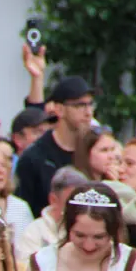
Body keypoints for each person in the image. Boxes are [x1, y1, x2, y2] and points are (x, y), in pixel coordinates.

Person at [16, 76, 96, 217]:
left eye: (90, 105)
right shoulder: (34, 157)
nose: (88, 112)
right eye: (79, 105)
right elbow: (23, 210)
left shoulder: (94, 152)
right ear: (59, 109)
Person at [17, 166, 89, 262]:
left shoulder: (90, 230)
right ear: (53, 200)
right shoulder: (34, 232)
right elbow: (27, 268)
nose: (79, 209)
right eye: (72, 202)